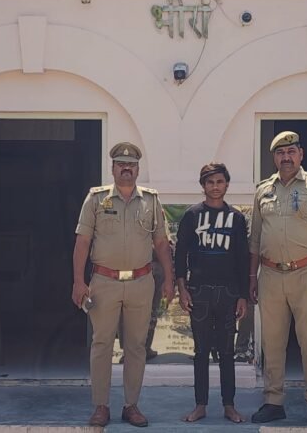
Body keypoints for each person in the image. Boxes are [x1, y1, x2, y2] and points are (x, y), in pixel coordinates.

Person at [72, 142, 175, 428]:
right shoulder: (96, 199)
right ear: (113, 168)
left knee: (136, 346)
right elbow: (82, 241)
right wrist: (78, 281)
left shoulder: (150, 201)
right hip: (104, 281)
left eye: (131, 165)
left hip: (141, 282)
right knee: (102, 344)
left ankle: (131, 405)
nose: (126, 169)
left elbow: (161, 243)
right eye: (121, 164)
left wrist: (169, 278)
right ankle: (101, 405)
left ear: (138, 169)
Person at [248, 131, 307, 428]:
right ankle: (273, 401)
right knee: (272, 342)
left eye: (291, 152)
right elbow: (255, 239)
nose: (286, 157)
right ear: (274, 158)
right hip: (270, 274)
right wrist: (252, 276)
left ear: (301, 155)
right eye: (280, 153)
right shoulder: (263, 190)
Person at [175, 162, 249, 424]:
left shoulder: (237, 218)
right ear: (203, 185)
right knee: (201, 351)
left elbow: (243, 259)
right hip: (199, 292)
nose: (215, 187)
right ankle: (200, 405)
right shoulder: (192, 215)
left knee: (227, 352)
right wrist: (182, 288)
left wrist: (243, 296)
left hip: (229, 293)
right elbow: (180, 254)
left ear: (227, 184)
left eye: (219, 181)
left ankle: (229, 405)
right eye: (210, 182)